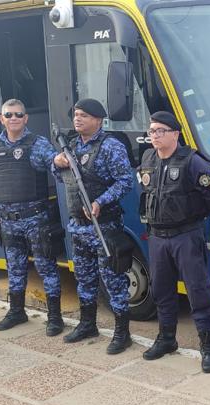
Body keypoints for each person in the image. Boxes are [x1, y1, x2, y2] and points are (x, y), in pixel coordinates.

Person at [137, 111, 210, 372]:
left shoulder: (192, 162)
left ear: (175, 133)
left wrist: (190, 217)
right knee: (162, 290)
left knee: (198, 292)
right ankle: (166, 338)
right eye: (152, 131)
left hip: (186, 236)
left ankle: (208, 347)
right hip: (158, 237)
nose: (155, 135)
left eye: (161, 130)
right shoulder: (148, 157)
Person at [52, 98, 134, 353]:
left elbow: (125, 181)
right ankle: (88, 323)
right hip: (78, 226)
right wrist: (57, 163)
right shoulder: (72, 147)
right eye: (76, 114)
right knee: (84, 278)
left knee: (112, 279)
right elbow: (63, 178)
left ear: (98, 120)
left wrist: (100, 201)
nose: (77, 119)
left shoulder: (111, 146)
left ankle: (122, 332)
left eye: (84, 115)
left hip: (104, 226)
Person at [0, 99, 65, 333]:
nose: (14, 118)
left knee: (46, 267)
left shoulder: (37, 144)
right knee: (14, 268)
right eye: (9, 115)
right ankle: (17, 312)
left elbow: (55, 165)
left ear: (26, 118)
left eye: (18, 114)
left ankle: (55, 317)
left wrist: (59, 161)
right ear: (2, 118)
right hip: (7, 220)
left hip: (35, 218)